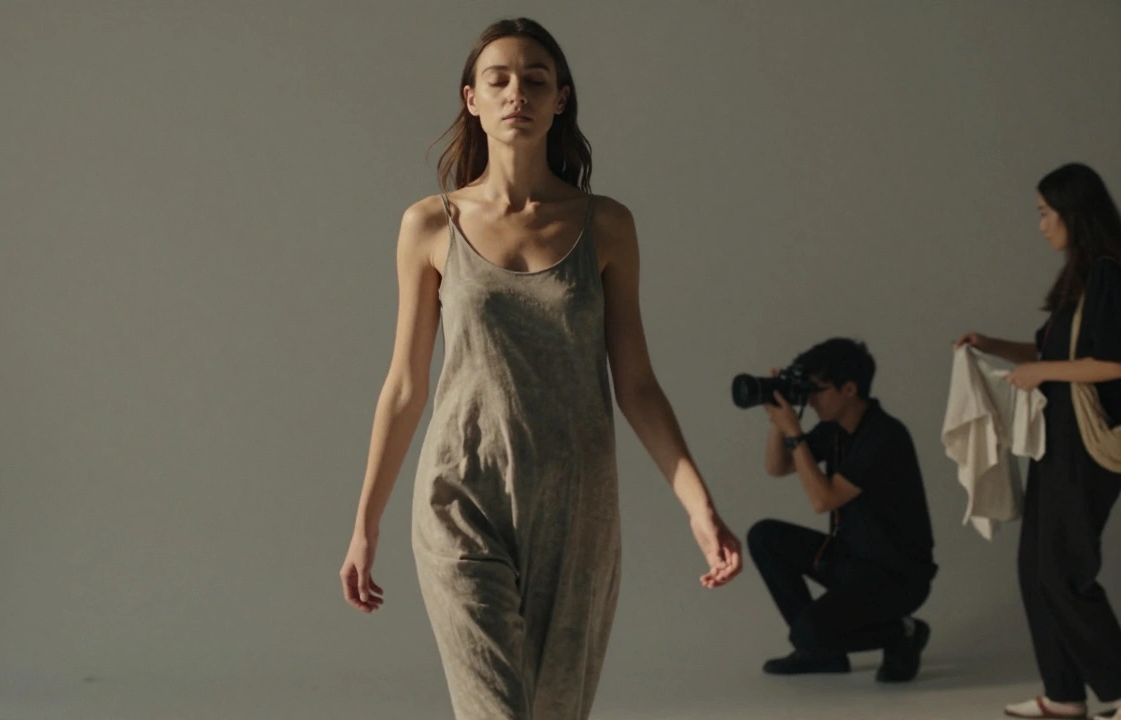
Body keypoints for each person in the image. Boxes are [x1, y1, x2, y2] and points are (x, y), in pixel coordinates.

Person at [336, 17, 742, 720]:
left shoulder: (606, 225)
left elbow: (637, 383)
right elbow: (405, 384)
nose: (515, 91)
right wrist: (364, 521)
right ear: (472, 99)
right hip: (461, 494)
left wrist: (698, 507)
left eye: (535, 78)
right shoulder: (430, 226)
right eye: (498, 79)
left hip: (577, 507)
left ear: (561, 99)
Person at [956, 162, 1121, 720]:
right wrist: (994, 346)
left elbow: (1112, 364)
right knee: (1035, 567)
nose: (1041, 225)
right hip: (1059, 443)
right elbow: (1053, 356)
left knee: (1064, 570)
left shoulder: (1108, 273)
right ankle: (1064, 694)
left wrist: (1042, 375)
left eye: (1046, 213)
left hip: (1088, 446)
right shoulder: (1079, 277)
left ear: (1075, 213)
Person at [748, 338, 936, 683]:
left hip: (896, 575)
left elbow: (824, 499)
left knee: (807, 632)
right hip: (851, 559)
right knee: (764, 536)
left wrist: (794, 431)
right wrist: (779, 421)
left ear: (849, 390)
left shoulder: (884, 436)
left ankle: (902, 633)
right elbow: (777, 467)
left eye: (816, 390)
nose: (811, 398)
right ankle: (823, 655)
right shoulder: (835, 430)